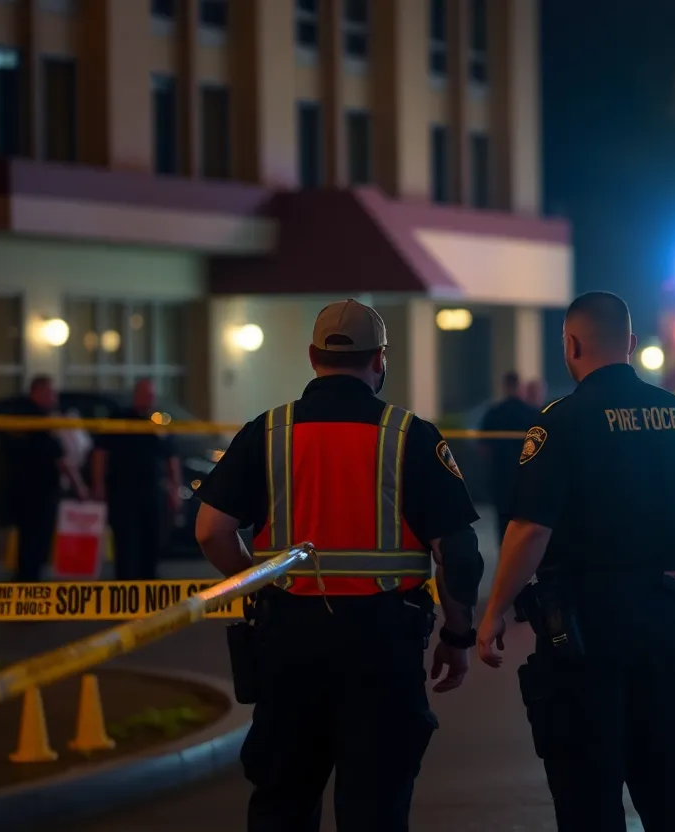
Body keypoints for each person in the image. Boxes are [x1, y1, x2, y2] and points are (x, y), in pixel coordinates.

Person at [194, 298, 486, 832]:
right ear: (380, 359)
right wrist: (458, 636)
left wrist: (256, 587)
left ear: (312, 356)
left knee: (283, 802)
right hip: (383, 645)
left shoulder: (268, 431)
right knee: (375, 806)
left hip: (287, 642)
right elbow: (459, 553)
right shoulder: (410, 436)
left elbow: (211, 530)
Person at [476, 291, 675, 832]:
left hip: (583, 628)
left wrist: (495, 609)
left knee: (588, 786)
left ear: (571, 344)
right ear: (633, 345)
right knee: (669, 779)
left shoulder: (560, 424)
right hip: (666, 622)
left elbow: (530, 531)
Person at [91, 379, 181, 581]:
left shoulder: (160, 421)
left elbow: (171, 457)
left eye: (152, 395)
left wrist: (174, 489)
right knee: (126, 543)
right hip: (123, 493)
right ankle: (126, 586)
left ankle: (148, 584)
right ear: (136, 395)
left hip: (153, 492)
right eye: (146, 394)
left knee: (152, 541)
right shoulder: (119, 418)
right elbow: (100, 453)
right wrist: (99, 485)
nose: (150, 399)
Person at [9, 376, 84, 582]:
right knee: (36, 541)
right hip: (37, 493)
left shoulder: (24, 417)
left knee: (29, 541)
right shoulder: (39, 420)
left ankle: (27, 580)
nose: (54, 397)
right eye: (50, 392)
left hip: (27, 491)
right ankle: (28, 584)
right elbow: (59, 457)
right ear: (37, 392)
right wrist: (79, 487)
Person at [479, 372, 540, 620]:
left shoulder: (494, 414)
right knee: (524, 540)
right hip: (526, 485)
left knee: (503, 540)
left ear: (505, 386)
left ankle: (504, 596)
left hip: (501, 485)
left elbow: (483, 450)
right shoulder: (531, 413)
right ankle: (524, 600)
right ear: (520, 386)